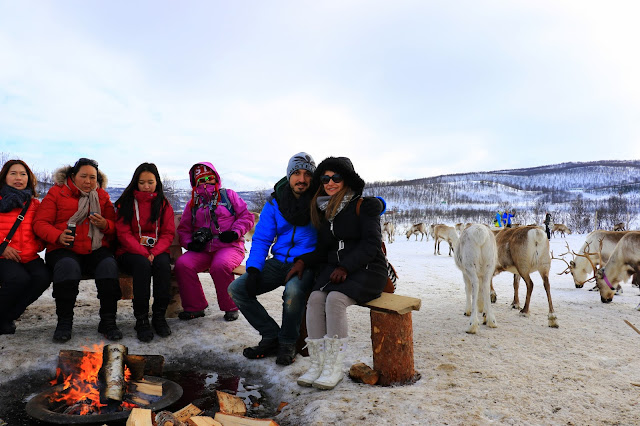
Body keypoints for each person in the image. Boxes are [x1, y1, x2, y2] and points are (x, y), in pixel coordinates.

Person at [286, 156, 387, 390]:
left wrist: (346, 266)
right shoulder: (324, 208)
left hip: (367, 269)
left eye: (336, 178)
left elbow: (371, 244)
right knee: (315, 298)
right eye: (325, 178)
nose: (330, 182)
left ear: (347, 180)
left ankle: (334, 367)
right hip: (338, 271)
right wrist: (303, 261)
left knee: (335, 299)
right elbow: (324, 249)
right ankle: (319, 364)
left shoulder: (365, 205)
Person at [228, 152, 318, 366]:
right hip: (279, 262)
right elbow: (261, 238)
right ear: (289, 175)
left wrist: (378, 204)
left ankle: (288, 343)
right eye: (297, 173)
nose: (302, 179)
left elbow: (350, 201)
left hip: (307, 262)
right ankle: (271, 336)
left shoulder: (320, 199)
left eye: (307, 174)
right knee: (237, 289)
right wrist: (254, 269)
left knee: (293, 292)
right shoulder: (275, 202)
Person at [33, 158, 121, 342]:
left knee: (108, 266)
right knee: (67, 267)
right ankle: (64, 322)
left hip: (95, 248)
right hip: (63, 249)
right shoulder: (57, 193)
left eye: (92, 177)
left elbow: (114, 227)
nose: (88, 181)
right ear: (73, 176)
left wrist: (105, 224)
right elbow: (40, 223)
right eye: (84, 176)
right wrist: (58, 235)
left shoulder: (102, 196)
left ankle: (108, 321)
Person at [175, 162, 255, 322]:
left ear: (215, 178)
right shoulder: (193, 204)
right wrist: (191, 243)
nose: (206, 182)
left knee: (220, 266)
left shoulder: (228, 195)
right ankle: (195, 307)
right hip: (203, 249)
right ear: (195, 183)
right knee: (183, 264)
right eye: (201, 180)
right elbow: (183, 229)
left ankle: (231, 306)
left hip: (230, 246)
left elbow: (247, 216)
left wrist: (234, 232)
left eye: (209, 178)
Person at [114, 163, 175, 342]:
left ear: (157, 182)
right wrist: (142, 252)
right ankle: (141, 319)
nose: (146, 186)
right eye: (142, 182)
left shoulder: (163, 204)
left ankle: (159, 316)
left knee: (163, 265)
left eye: (150, 182)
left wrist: (154, 252)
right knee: (142, 266)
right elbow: (123, 233)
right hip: (129, 251)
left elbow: (168, 233)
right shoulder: (126, 203)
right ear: (136, 183)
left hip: (156, 251)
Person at [0, 160, 50, 335]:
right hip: (3, 256)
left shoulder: (34, 204)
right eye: (13, 173)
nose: (18, 178)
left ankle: (8, 316)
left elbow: (42, 228)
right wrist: (2, 248)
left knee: (43, 277)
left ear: (29, 179)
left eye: (23, 174)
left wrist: (38, 245)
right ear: (5, 176)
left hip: (28, 255)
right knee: (18, 279)